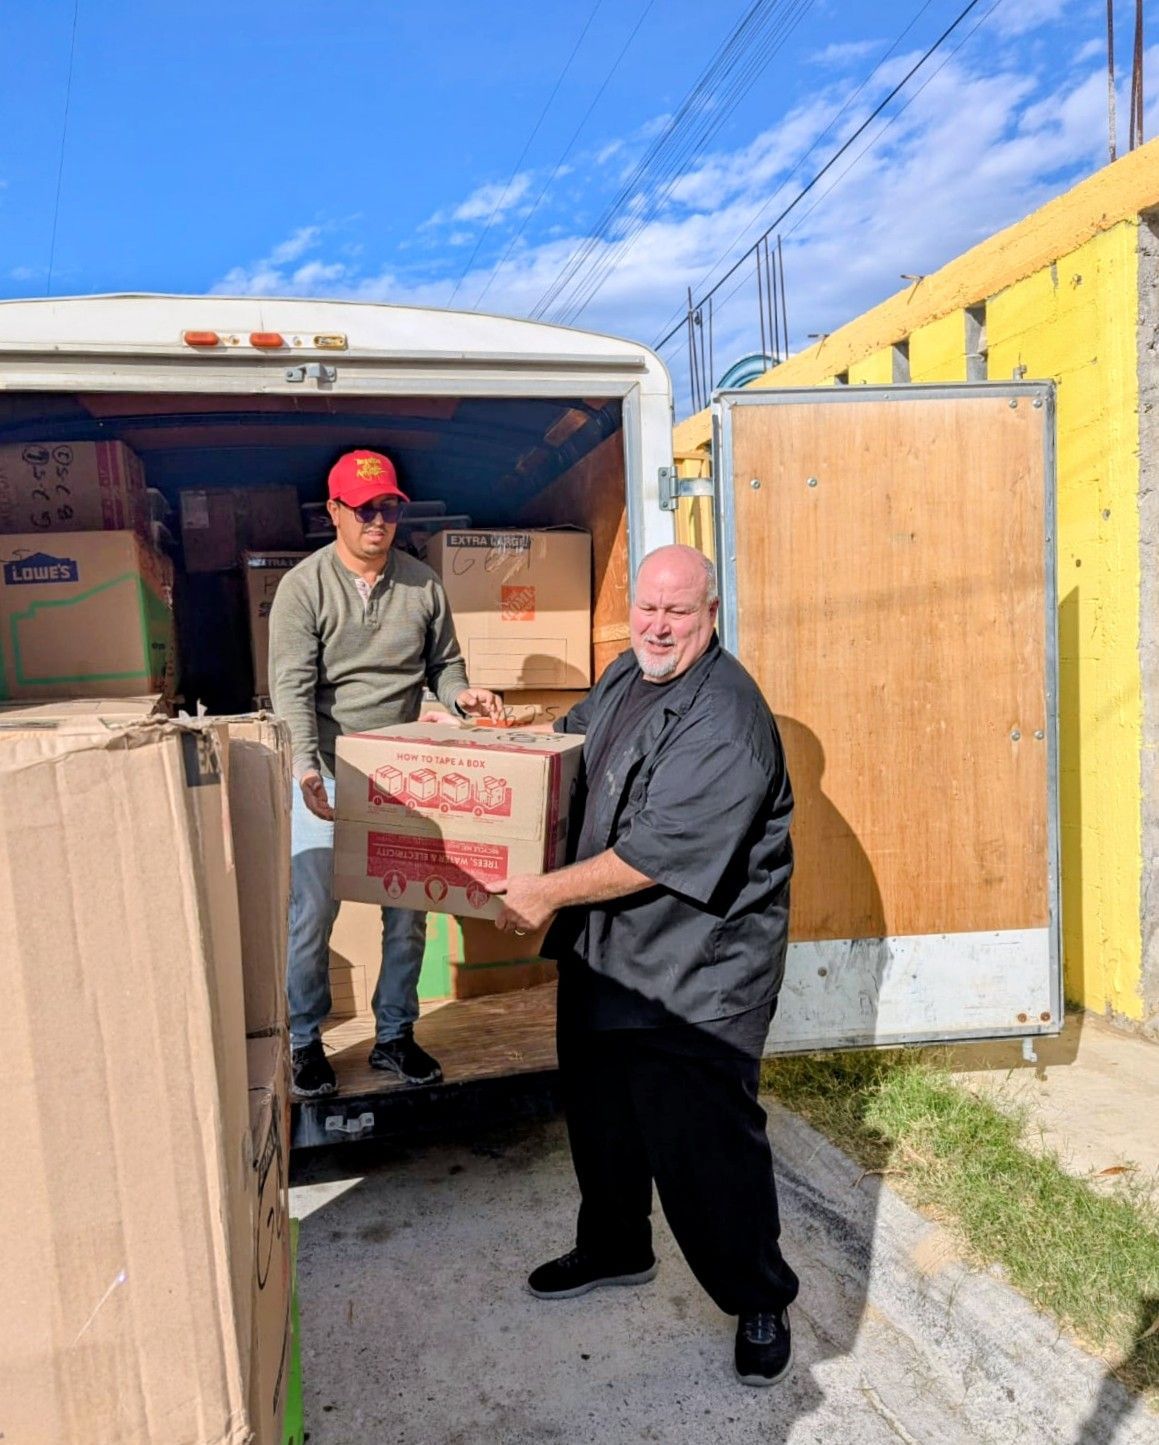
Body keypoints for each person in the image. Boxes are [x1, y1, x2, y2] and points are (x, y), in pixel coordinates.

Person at [490, 543, 799, 1388]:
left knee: (704, 1146)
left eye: (678, 612)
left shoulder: (726, 721)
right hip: (612, 953)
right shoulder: (632, 671)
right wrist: (502, 733)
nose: (658, 626)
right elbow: (575, 739)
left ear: (709, 614)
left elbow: (654, 854)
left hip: (696, 974)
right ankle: (615, 1246)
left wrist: (546, 891)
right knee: (602, 1121)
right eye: (647, 609)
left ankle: (757, 1296)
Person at [270, 449, 502, 1099]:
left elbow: (445, 666)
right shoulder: (303, 588)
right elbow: (289, 688)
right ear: (334, 513)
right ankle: (303, 1043)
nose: (379, 519)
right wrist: (304, 768)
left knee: (408, 909)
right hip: (325, 769)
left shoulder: (423, 584)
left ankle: (394, 1035)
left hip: (399, 770)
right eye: (366, 508)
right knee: (312, 907)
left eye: (390, 507)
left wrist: (463, 697)